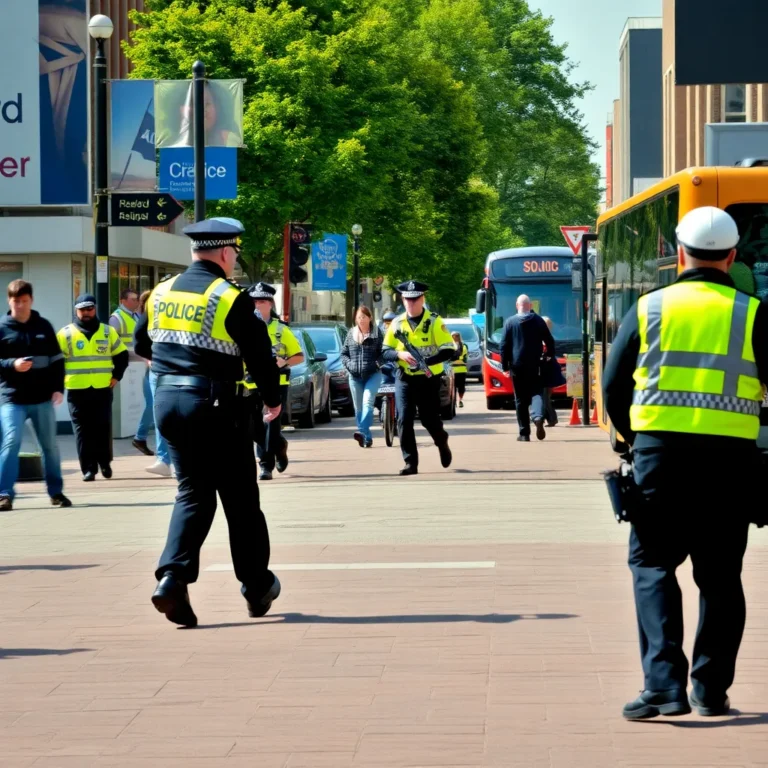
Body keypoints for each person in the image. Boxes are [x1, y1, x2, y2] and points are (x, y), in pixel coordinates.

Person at [603, 206, 768, 720]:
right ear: (733, 257)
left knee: (652, 564)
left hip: (661, 459)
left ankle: (663, 688)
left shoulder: (651, 308)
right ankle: (710, 690)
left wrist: (635, 439)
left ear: (678, 255)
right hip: (732, 462)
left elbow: (612, 384)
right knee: (721, 576)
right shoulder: (754, 313)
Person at [134, 217, 282, 628]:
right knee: (240, 500)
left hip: (167, 402)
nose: (234, 259)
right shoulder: (227, 296)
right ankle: (256, 586)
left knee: (193, 494)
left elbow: (142, 343)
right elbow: (260, 355)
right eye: (234, 252)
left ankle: (172, 578)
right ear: (223, 252)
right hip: (216, 406)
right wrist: (272, 401)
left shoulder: (160, 292)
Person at [0, 280, 70, 510]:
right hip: (12, 399)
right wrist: (12, 363)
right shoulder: (2, 328)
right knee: (11, 442)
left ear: (31, 300)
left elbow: (57, 361)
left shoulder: (44, 326)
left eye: (24, 301)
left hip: (41, 399)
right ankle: (4, 494)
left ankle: (56, 492)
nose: (20, 305)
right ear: (9, 301)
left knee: (49, 446)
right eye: (15, 301)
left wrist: (58, 388)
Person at [382, 281, 455, 475]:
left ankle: (441, 441)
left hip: (428, 378)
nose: (411, 303)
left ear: (422, 299)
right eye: (407, 299)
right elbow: (385, 351)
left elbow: (448, 350)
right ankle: (410, 462)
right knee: (403, 419)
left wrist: (427, 361)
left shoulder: (434, 321)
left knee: (429, 420)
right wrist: (400, 355)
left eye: (415, 299)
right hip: (404, 377)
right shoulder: (397, 323)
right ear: (402, 300)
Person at [57, 294, 128, 481]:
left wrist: (116, 376)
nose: (86, 313)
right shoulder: (65, 334)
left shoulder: (107, 331)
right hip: (76, 389)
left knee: (102, 427)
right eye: (82, 310)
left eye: (89, 309)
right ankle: (88, 469)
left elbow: (121, 355)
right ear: (76, 311)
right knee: (82, 430)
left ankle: (104, 463)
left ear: (95, 309)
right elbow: (55, 362)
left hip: (102, 388)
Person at [242, 283, 304, 481]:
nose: (257, 305)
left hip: (277, 383)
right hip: (250, 383)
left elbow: (299, 357)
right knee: (253, 426)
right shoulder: (243, 327)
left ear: (270, 304)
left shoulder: (280, 329)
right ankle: (279, 446)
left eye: (261, 301)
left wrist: (284, 360)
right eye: (254, 301)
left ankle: (265, 465)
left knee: (271, 424)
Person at [500, 294, 555, 442]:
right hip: (535, 364)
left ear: (517, 306)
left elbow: (503, 346)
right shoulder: (537, 320)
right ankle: (537, 417)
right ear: (530, 306)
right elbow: (549, 340)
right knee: (536, 393)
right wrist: (549, 355)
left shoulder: (510, 322)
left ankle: (524, 434)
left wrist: (504, 366)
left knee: (520, 399)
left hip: (517, 366)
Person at [110, 288, 153, 457]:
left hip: (141, 365)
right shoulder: (117, 318)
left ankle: (140, 437)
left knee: (150, 403)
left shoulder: (136, 316)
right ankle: (140, 437)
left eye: (137, 299)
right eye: (133, 299)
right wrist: (143, 358)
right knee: (151, 403)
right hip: (133, 365)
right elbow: (115, 346)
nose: (136, 302)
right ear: (123, 301)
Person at [136, 290, 172, 478]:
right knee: (160, 414)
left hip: (168, 369)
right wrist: (148, 358)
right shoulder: (150, 318)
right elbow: (139, 340)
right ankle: (164, 460)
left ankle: (169, 460)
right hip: (158, 370)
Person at [341, 306, 384, 447]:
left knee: (367, 403)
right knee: (358, 408)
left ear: (370, 318)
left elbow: (384, 353)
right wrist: (350, 365)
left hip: (373, 375)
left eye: (364, 317)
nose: (361, 320)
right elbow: (344, 354)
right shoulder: (351, 333)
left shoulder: (377, 334)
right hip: (354, 377)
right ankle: (366, 437)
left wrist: (377, 364)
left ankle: (361, 431)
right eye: (359, 317)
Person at [540, 316, 562, 427]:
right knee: (544, 397)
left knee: (544, 397)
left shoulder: (547, 340)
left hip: (547, 374)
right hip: (545, 373)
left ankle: (551, 418)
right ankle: (546, 418)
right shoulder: (544, 339)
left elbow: (549, 357)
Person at [451, 331, 468, 408]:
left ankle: (460, 400)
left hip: (461, 370)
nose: (455, 337)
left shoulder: (464, 346)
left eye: (457, 335)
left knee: (461, 387)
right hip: (452, 370)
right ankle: (454, 401)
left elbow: (465, 357)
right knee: (452, 387)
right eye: (453, 336)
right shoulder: (449, 345)